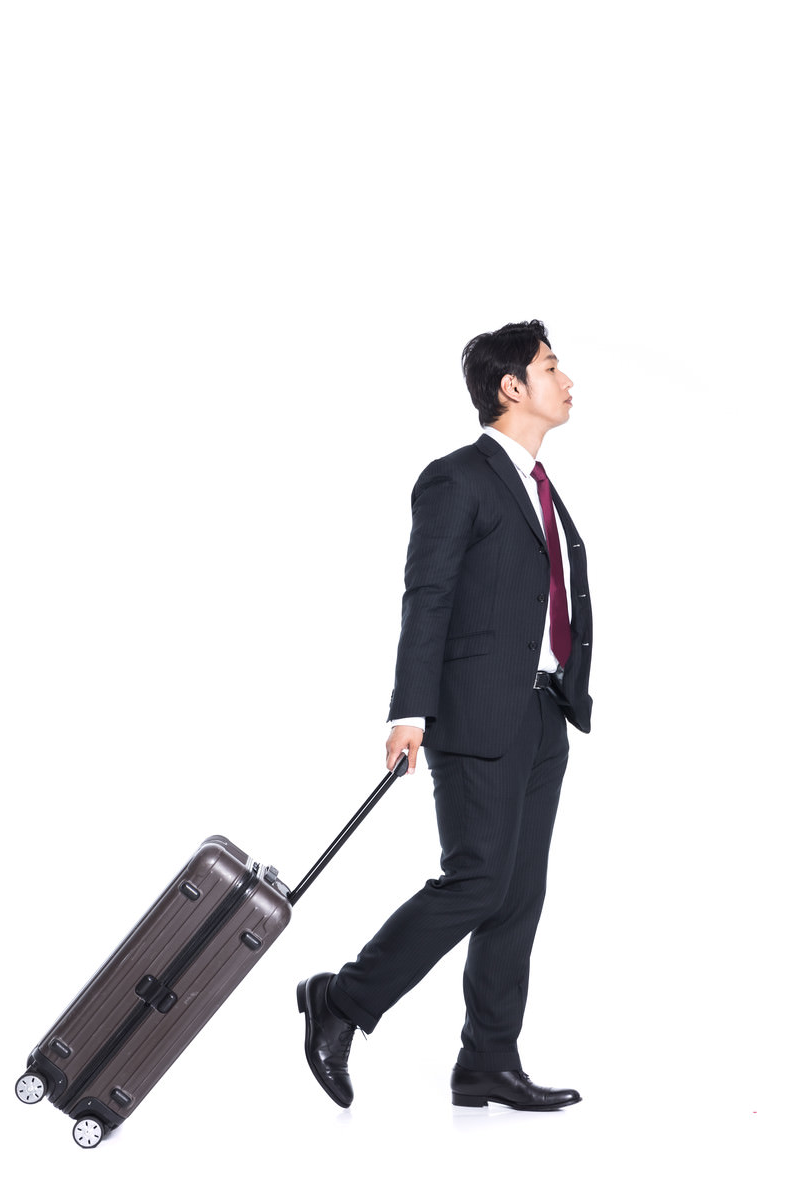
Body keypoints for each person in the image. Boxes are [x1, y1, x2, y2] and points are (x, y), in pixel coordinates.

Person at [297, 320, 592, 1111]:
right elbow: (426, 597)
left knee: (517, 896)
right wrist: (410, 712)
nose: (568, 381)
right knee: (476, 883)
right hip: (475, 715)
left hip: (542, 714)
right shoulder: (456, 479)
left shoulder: (539, 487)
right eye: (552, 368)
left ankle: (488, 1060)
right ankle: (342, 1000)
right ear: (511, 387)